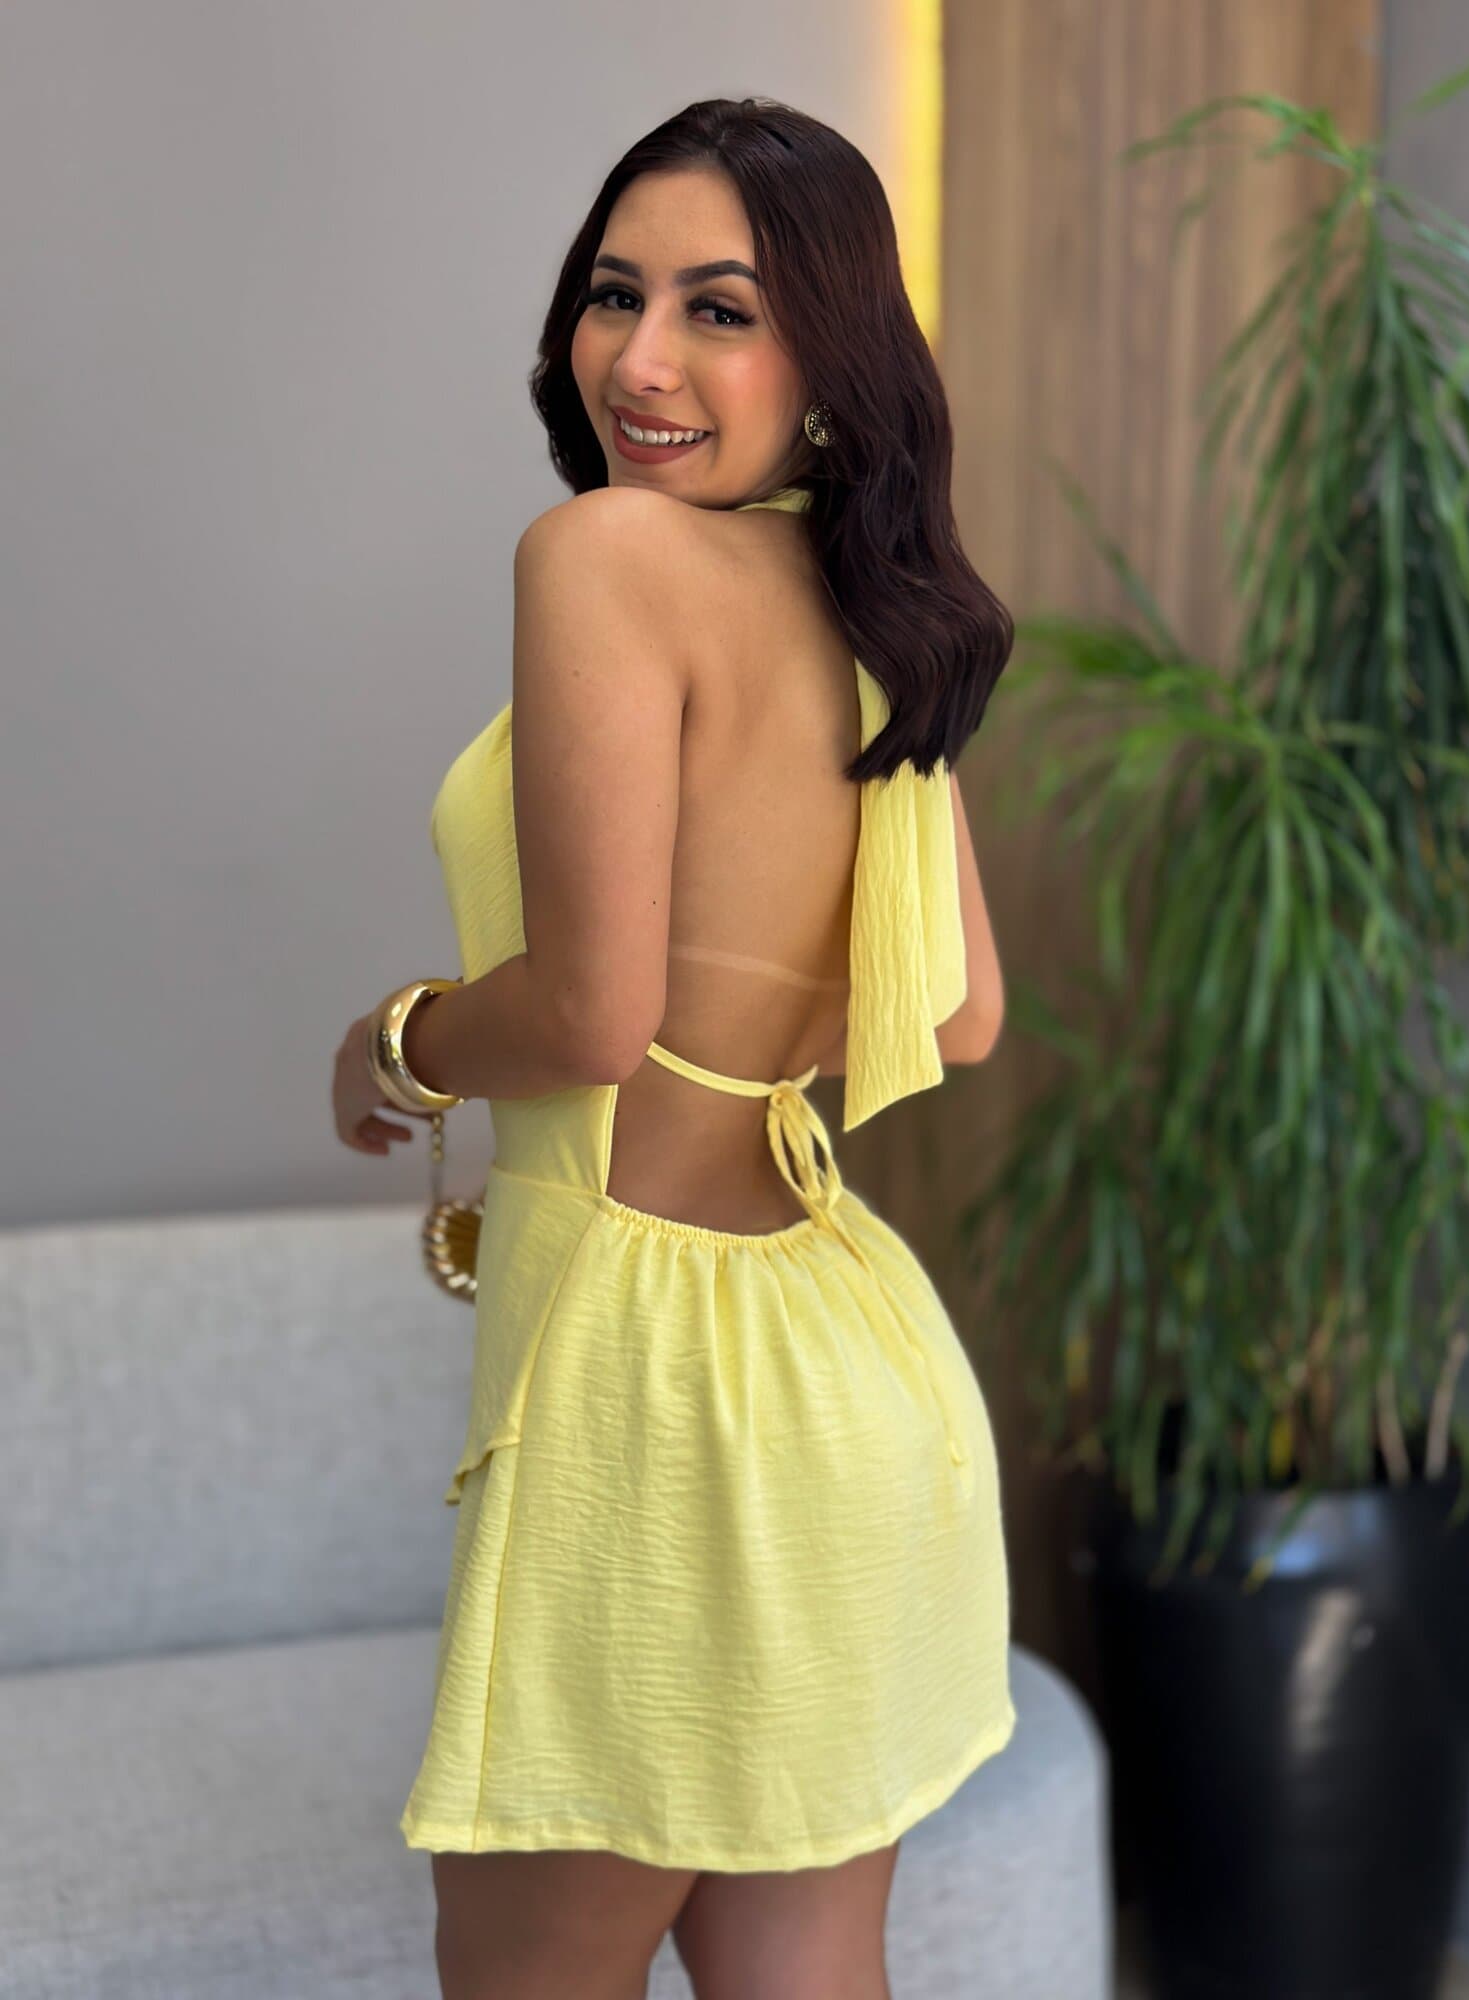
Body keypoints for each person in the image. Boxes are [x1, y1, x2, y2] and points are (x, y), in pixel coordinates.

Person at [331, 94, 1016, 2000]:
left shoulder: (606, 557)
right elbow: (959, 1011)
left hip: (653, 1389)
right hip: (846, 1365)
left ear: (831, 360)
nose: (640, 360)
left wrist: (394, 1046)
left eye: (722, 309)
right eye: (614, 295)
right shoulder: (881, 609)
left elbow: (591, 1012)